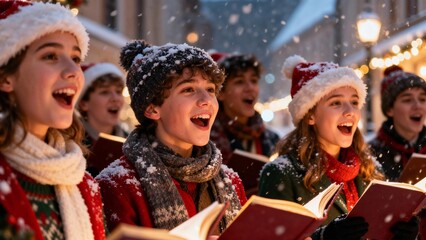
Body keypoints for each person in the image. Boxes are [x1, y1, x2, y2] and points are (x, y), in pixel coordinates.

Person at [258, 55, 419, 240]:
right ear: (310, 115)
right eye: (336, 103)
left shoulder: (371, 169)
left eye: (354, 102)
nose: (350, 111)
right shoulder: (281, 174)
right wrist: (325, 237)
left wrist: (401, 235)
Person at [95, 40, 247, 235]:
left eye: (210, 89)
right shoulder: (118, 185)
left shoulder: (231, 181)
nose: (206, 100)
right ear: (152, 108)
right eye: (188, 89)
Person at [0, 1, 106, 239]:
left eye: (76, 58)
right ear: (6, 77)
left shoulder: (85, 185)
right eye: (50, 56)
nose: (73, 71)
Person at [209, 53, 279, 197]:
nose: (250, 88)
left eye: (253, 81)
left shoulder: (272, 140)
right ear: (220, 93)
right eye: (239, 82)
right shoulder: (207, 140)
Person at [369, 65, 426, 239]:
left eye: (423, 99)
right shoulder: (370, 154)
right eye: (407, 100)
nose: (417, 106)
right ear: (390, 109)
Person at [78, 62, 128, 176]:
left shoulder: (132, 143)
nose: (115, 98)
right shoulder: (71, 144)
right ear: (83, 103)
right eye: (105, 92)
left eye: (118, 92)